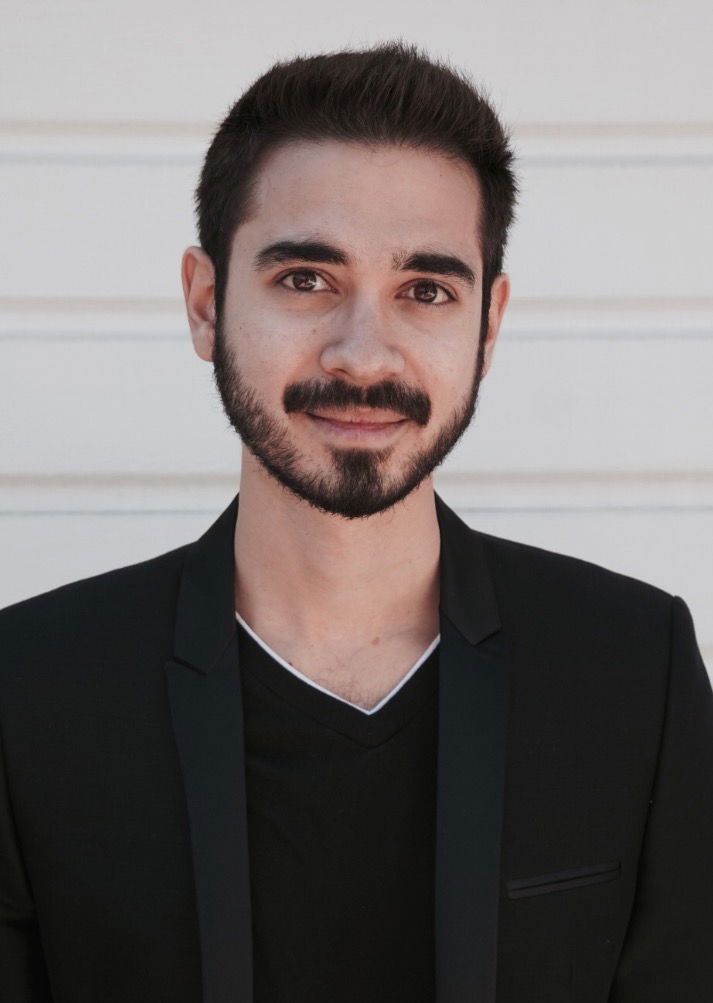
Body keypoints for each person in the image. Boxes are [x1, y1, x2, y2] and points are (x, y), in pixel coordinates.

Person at [1, 41, 711, 1003]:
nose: (363, 355)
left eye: (426, 291)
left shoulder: (632, 665)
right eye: (306, 279)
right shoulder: (30, 688)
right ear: (206, 303)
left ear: (488, 326)